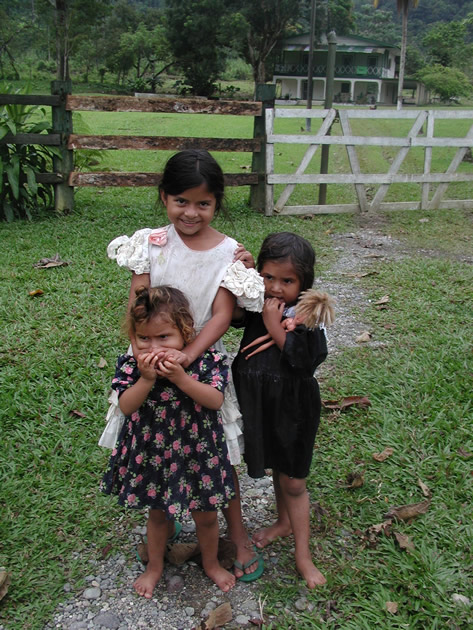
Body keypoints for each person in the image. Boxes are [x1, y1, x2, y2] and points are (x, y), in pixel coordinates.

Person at [105, 149, 265, 581]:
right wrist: (145, 355)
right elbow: (140, 303)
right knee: (156, 445)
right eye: (181, 201)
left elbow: (220, 314)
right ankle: (165, 512)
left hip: (199, 362)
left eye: (203, 203)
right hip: (151, 356)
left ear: (217, 203)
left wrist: (188, 356)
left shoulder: (229, 253)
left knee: (218, 453)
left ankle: (236, 535)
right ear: (163, 198)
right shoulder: (150, 244)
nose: (190, 212)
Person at [101, 285, 237, 596]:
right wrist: (147, 379)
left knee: (206, 514)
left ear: (186, 332)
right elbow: (125, 406)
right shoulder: (132, 365)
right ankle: (155, 566)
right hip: (153, 453)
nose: (153, 348)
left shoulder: (206, 360)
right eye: (143, 339)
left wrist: (181, 378)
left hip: (198, 451)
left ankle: (212, 562)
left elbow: (215, 400)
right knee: (157, 513)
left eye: (164, 337)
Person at [232, 232, 334, 589]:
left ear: (305, 284)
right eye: (268, 276)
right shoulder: (256, 301)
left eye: (287, 281)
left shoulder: (306, 317)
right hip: (259, 403)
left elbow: (305, 362)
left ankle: (303, 557)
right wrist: (243, 272)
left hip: (293, 408)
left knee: (294, 480)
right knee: (277, 465)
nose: (275, 288)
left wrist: (276, 328)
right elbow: (233, 315)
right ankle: (282, 522)